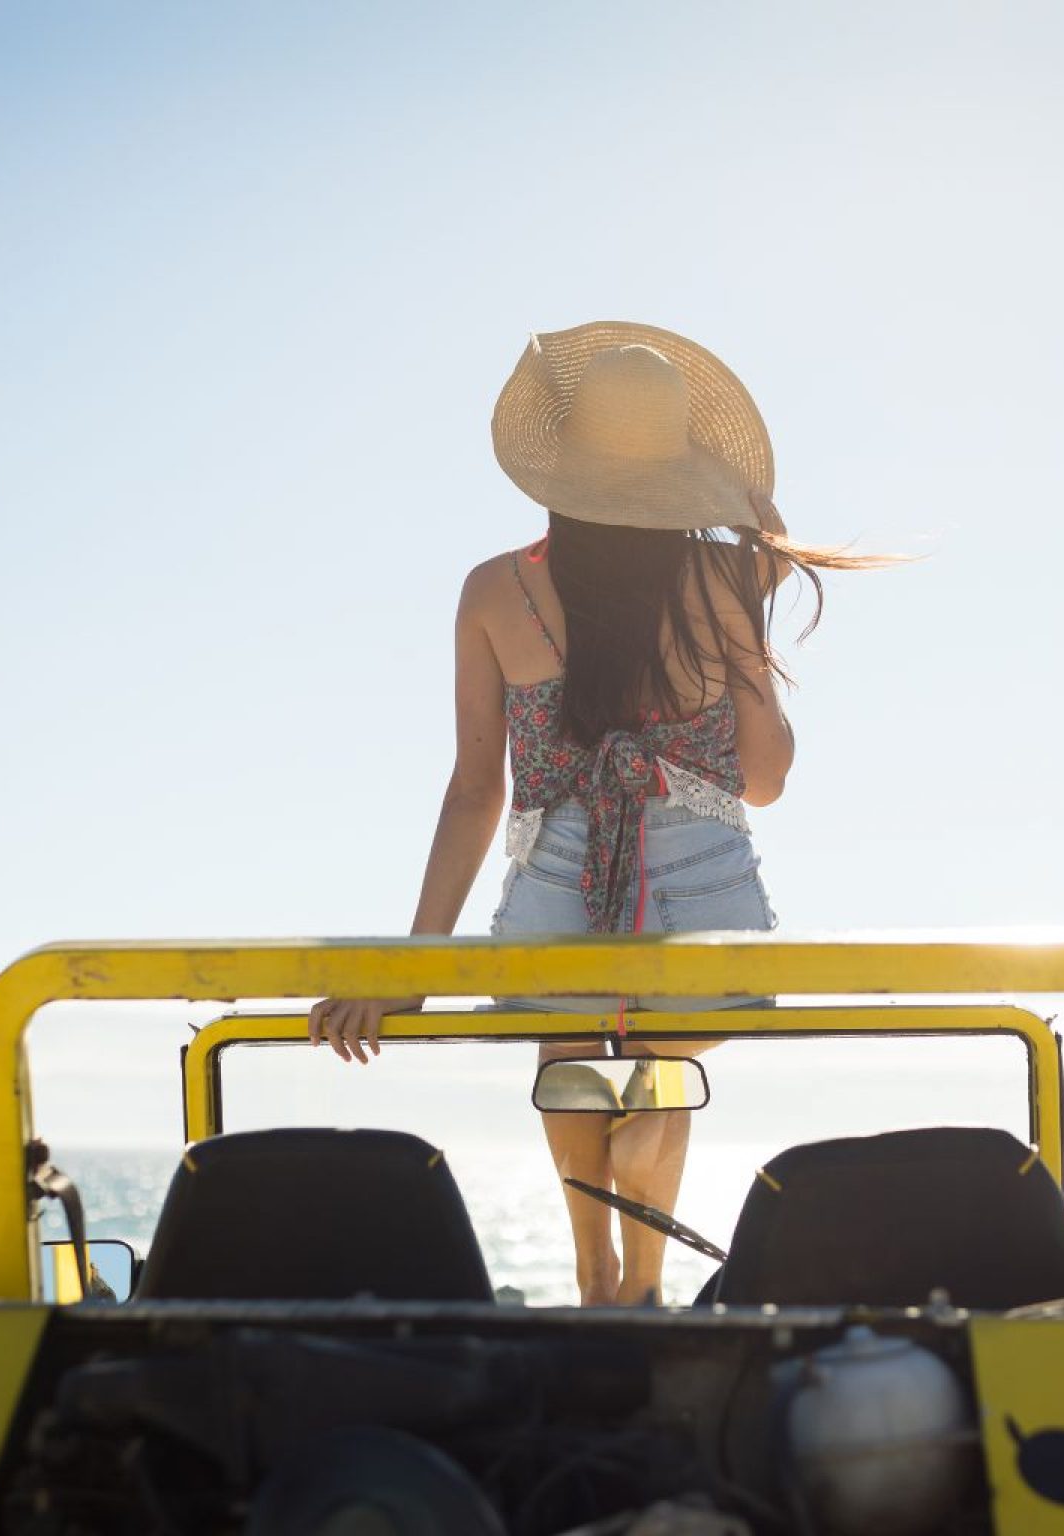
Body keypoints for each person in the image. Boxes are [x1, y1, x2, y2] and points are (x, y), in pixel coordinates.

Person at [308, 321, 884, 1305]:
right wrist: (757, 586)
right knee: (659, 1067)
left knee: (570, 1049)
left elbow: (474, 791)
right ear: (678, 469)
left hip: (553, 892)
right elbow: (764, 778)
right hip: (704, 892)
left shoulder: (494, 592)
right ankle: (647, 1288)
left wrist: (411, 968)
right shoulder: (720, 584)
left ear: (559, 466)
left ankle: (594, 1275)